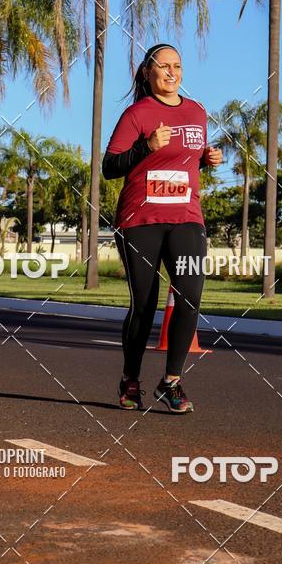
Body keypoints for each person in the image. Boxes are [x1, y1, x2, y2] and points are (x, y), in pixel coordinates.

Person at [102, 43, 222, 414]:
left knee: (189, 295)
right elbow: (110, 167)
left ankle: (171, 382)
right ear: (146, 73)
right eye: (164, 66)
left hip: (187, 218)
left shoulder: (197, 111)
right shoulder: (136, 115)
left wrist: (207, 158)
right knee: (145, 304)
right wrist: (147, 146)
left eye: (178, 66)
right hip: (141, 221)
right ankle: (130, 379)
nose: (172, 73)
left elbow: (187, 161)